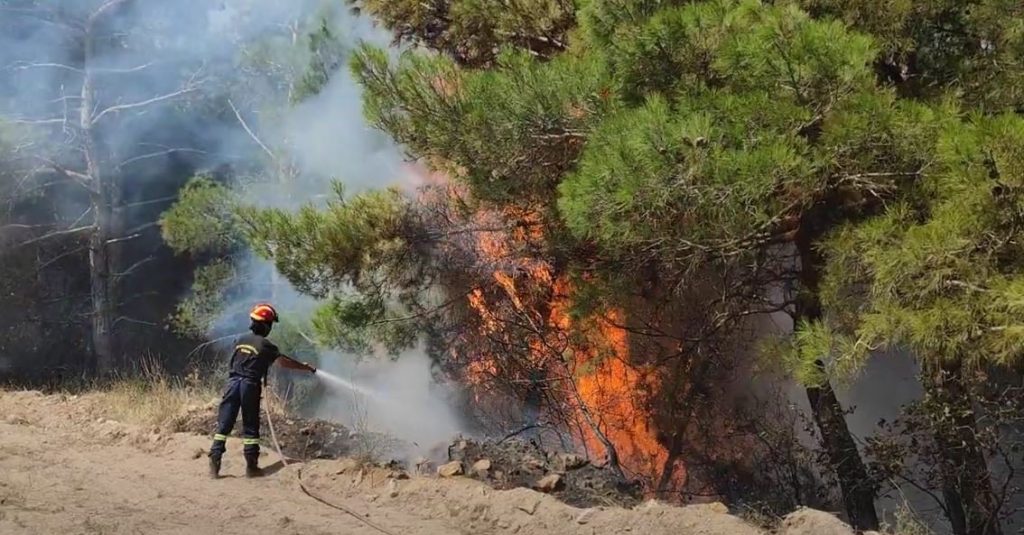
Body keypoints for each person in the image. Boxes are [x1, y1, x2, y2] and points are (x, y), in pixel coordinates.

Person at [208, 303, 315, 478]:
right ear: (266, 326)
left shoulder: (240, 339)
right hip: (249, 385)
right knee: (251, 425)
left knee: (225, 422)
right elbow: (283, 362)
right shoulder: (267, 345)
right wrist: (305, 367)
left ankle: (215, 459)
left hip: (232, 383)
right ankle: (252, 467)